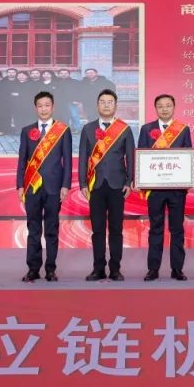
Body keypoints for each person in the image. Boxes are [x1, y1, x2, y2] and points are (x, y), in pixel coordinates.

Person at [79, 89, 135, 281]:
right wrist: (83, 182)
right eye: (102, 102)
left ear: (115, 106)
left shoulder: (124, 129)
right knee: (98, 229)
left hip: (118, 185)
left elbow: (130, 156)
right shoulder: (88, 129)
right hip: (95, 185)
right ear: (97, 106)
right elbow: (83, 157)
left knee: (116, 229)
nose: (106, 105)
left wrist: (129, 181)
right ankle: (98, 268)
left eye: (110, 102)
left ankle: (115, 269)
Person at [16, 91, 72, 282]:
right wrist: (20, 185)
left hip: (54, 187)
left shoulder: (62, 130)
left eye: (47, 105)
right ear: (36, 108)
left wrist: (65, 185)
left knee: (51, 229)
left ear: (53, 107)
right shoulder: (27, 131)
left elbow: (67, 160)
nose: (44, 109)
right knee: (33, 228)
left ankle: (50, 269)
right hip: (31, 187)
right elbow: (22, 160)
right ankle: (33, 269)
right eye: (40, 106)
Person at [137, 93, 191, 281]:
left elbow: (188, 156)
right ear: (156, 109)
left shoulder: (182, 129)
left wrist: (188, 179)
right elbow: (142, 156)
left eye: (168, 105)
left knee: (177, 229)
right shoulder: (146, 129)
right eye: (160, 106)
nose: (164, 109)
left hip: (177, 189)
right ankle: (153, 269)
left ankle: (177, 269)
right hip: (154, 189)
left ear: (174, 107)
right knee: (155, 228)